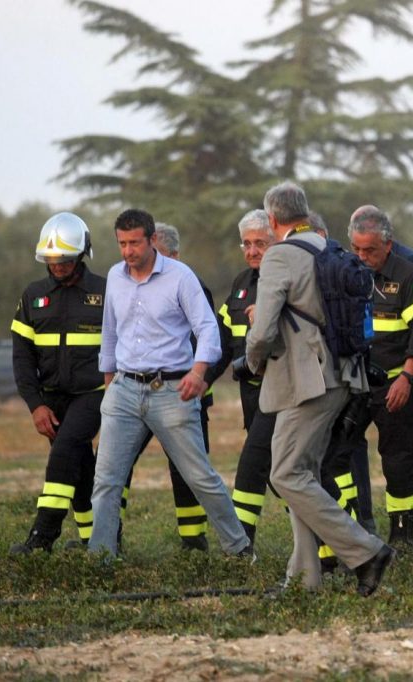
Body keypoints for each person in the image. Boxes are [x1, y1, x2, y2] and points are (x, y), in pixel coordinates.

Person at [245, 181, 393, 594]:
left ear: (273, 220)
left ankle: (366, 552)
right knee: (302, 472)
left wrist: (253, 362)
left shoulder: (280, 256)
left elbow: (262, 332)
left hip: (306, 380)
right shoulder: (331, 249)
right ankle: (304, 578)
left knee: (286, 474)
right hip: (344, 373)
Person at [89, 208, 251, 559]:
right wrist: (109, 386)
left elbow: (207, 329)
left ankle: (239, 549)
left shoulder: (181, 277)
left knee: (199, 477)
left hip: (171, 391)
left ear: (151, 241)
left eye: (134, 243)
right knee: (105, 480)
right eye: (122, 244)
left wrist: (198, 373)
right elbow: (109, 333)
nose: (128, 251)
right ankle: (100, 559)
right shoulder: (115, 278)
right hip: (124, 390)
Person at [330, 205, 413, 549]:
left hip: (396, 385)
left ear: (388, 245)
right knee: (335, 453)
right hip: (355, 384)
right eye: (357, 249)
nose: (362, 257)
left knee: (398, 463)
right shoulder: (346, 273)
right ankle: (348, 525)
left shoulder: (409, 276)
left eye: (370, 250)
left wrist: (406, 378)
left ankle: (402, 538)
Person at [9, 213, 104, 553]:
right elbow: (22, 358)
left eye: (63, 258)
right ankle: (100, 538)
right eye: (51, 259)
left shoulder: (106, 291)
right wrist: (36, 406)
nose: (57, 265)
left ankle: (42, 537)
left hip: (94, 395)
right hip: (51, 399)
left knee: (63, 454)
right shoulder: (32, 295)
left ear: (81, 254)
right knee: (80, 467)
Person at [117, 222, 213, 551]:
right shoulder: (123, 279)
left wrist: (201, 379)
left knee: (189, 468)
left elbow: (212, 337)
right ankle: (108, 535)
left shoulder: (188, 282)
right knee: (117, 463)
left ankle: (194, 537)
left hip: (181, 392)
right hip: (133, 392)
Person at [213, 209, 280, 544]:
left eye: (260, 243)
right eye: (247, 244)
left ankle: (241, 544)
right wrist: (201, 379)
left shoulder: (285, 279)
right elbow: (221, 344)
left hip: (283, 394)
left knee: (253, 465)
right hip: (251, 396)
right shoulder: (241, 285)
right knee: (280, 475)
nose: (252, 251)